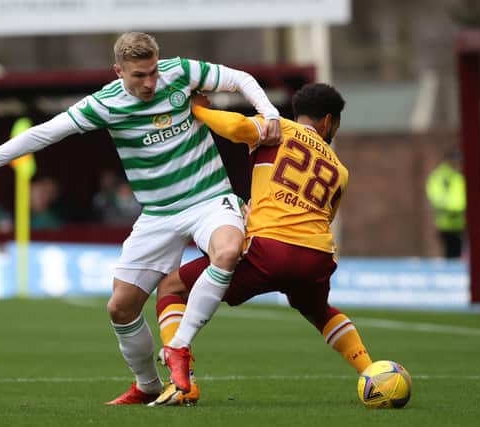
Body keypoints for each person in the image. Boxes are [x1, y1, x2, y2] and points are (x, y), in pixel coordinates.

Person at [0, 31, 282, 405]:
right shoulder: (104, 104)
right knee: (120, 308)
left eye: (153, 72)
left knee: (227, 250)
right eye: (139, 75)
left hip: (208, 198)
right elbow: (44, 134)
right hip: (158, 214)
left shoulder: (180, 72)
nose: (150, 82)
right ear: (118, 72)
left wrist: (268, 113)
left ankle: (179, 347)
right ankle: (147, 385)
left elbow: (239, 79)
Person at [151, 84, 373, 406]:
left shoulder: (277, 126)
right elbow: (319, 216)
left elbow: (236, 127)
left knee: (171, 287)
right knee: (318, 310)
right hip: (317, 255)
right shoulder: (340, 171)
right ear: (328, 121)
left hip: (269, 250)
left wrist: (197, 109)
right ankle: (372, 372)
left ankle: (182, 380)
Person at [425, 149, 466, 258]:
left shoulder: (462, 174)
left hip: (465, 221)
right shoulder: (441, 176)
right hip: (448, 223)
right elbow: (436, 196)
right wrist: (455, 208)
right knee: (451, 252)